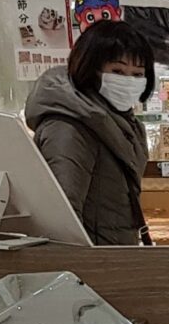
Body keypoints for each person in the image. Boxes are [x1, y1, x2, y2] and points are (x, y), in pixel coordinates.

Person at [24, 19, 152, 246]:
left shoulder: (121, 122)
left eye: (137, 74)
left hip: (114, 257)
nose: (128, 82)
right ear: (90, 68)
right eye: (117, 71)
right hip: (93, 266)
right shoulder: (69, 127)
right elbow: (62, 221)